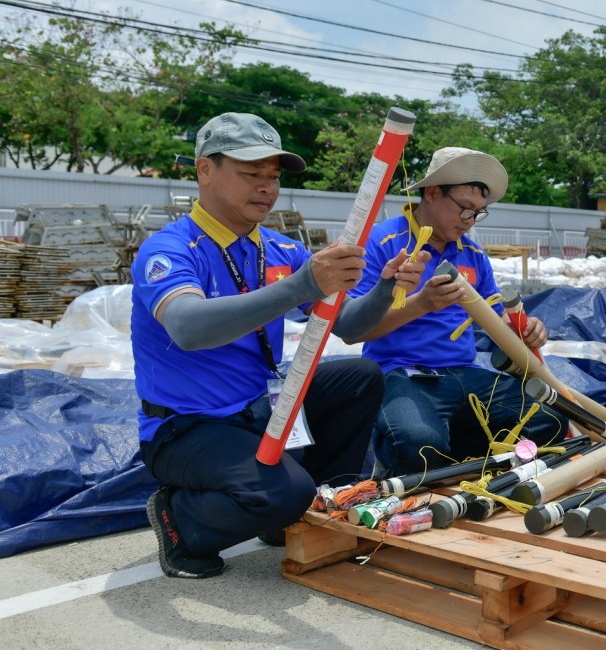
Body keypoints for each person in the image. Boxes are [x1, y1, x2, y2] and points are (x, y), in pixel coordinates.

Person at [132, 112, 424, 579]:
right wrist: (301, 287)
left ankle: (302, 508)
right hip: (188, 427)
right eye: (251, 174)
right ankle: (181, 522)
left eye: (273, 177)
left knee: (360, 376)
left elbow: (347, 326)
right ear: (204, 169)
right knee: (281, 492)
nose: (266, 188)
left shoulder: (280, 250)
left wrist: (385, 289)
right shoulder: (171, 249)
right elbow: (188, 328)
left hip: (260, 408)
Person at [346, 147, 568, 477]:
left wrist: (528, 328)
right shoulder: (383, 241)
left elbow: (498, 320)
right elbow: (356, 330)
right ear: (432, 192)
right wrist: (421, 303)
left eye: (479, 212)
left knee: (550, 418)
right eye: (465, 209)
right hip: (402, 371)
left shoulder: (473, 255)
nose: (469, 221)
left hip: (464, 372)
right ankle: (401, 458)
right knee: (418, 445)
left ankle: (454, 457)